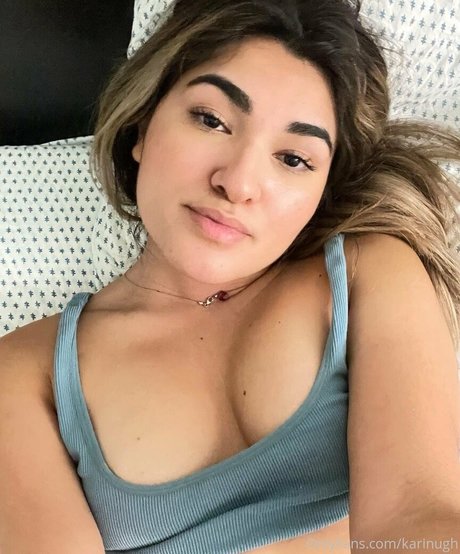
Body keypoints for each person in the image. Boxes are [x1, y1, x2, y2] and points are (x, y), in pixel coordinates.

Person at [1, 0, 460, 552]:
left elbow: (417, 512)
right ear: (143, 125)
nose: (238, 183)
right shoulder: (25, 374)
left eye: (294, 159)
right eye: (211, 120)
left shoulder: (367, 268)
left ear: (320, 191)